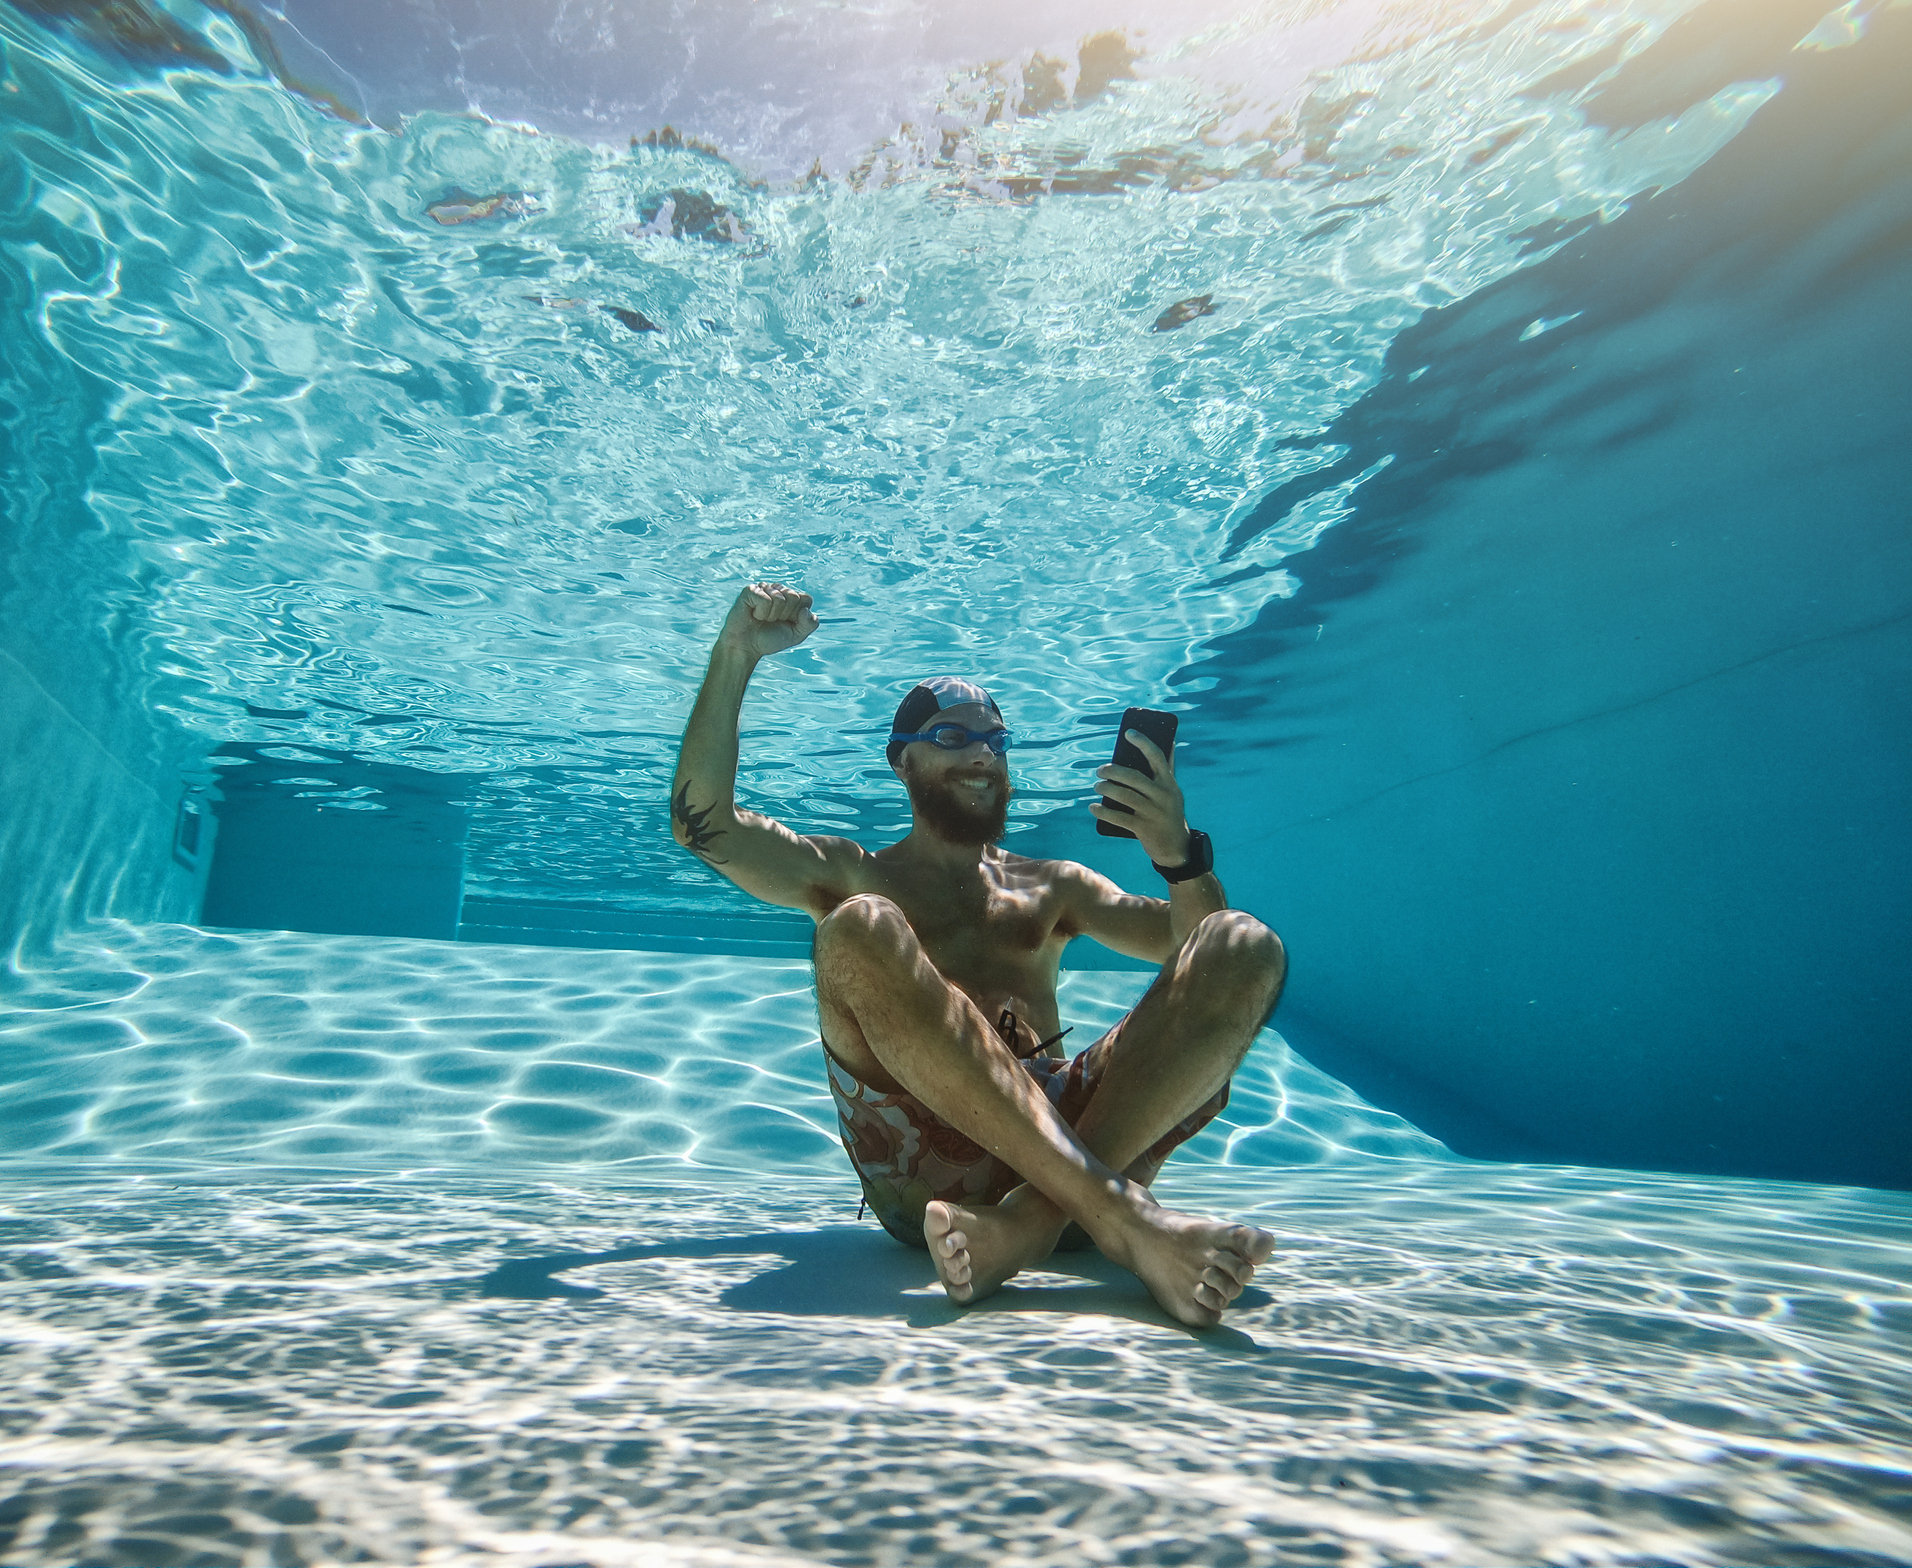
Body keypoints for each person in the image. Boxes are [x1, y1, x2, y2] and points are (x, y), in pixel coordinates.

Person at [669, 583, 1287, 1328]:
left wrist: (1179, 858)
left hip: (1077, 1136)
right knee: (859, 927)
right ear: (902, 762)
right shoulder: (855, 874)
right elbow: (705, 827)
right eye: (952, 738)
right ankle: (1118, 1218)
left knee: (1244, 939)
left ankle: (1027, 1224)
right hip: (923, 1181)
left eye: (994, 741)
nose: (982, 757)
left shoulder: (1053, 889)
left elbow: (1203, 962)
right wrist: (736, 653)